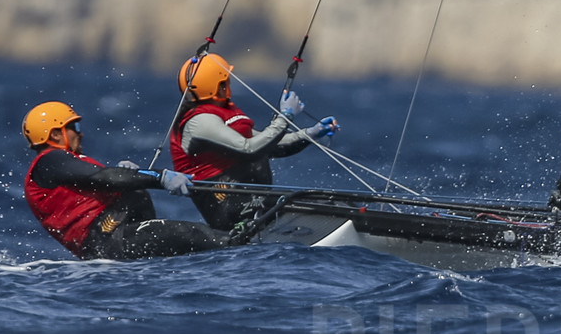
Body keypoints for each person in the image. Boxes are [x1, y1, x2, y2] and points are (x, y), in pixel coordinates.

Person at [22, 101, 230, 261]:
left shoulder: (58, 163)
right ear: (56, 134)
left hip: (112, 238)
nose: (80, 133)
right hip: (106, 240)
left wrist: (130, 179)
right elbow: (101, 178)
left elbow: (103, 182)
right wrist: (160, 177)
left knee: (138, 194)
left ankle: (229, 237)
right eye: (73, 126)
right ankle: (236, 243)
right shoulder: (50, 160)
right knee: (190, 233)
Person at [168, 53, 339, 231]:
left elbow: (269, 145)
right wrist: (286, 116)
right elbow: (250, 149)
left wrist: (310, 133)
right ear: (218, 86)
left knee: (318, 200)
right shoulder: (200, 122)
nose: (230, 84)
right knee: (302, 202)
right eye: (226, 80)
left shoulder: (222, 111)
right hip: (224, 207)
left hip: (250, 199)